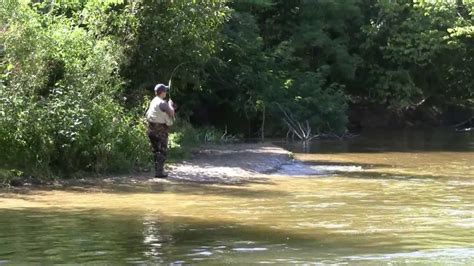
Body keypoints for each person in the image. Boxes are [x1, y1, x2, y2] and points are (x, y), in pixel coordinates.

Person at [146, 84, 175, 178]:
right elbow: (171, 113)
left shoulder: (154, 101)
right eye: (165, 91)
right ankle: (159, 172)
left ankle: (157, 170)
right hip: (160, 130)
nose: (166, 92)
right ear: (162, 92)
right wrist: (170, 104)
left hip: (151, 129)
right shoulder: (162, 103)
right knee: (162, 150)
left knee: (155, 150)